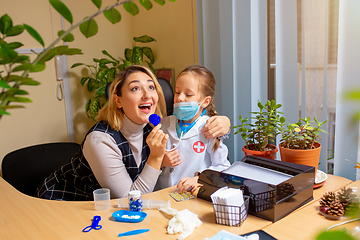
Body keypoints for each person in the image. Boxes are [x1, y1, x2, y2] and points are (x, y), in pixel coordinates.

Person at [35, 65, 230, 201]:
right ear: (118, 100)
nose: (146, 94)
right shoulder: (100, 140)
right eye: (135, 88)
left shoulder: (150, 126)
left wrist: (225, 122)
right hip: (63, 204)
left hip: (114, 209)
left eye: (151, 87)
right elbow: (130, 199)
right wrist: (156, 158)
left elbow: (195, 122)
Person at [154, 65, 231, 193]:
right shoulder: (164, 124)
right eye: (177, 92)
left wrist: (199, 179)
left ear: (205, 101)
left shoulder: (209, 128)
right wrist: (162, 162)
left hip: (192, 196)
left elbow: (222, 167)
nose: (180, 98)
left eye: (188, 94)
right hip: (163, 195)